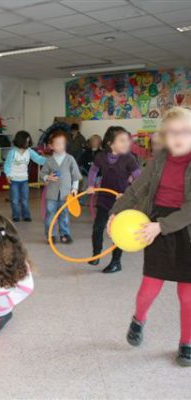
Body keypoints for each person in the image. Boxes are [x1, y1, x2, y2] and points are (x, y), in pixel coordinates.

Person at [108, 107, 191, 367]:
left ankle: (186, 342)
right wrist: (114, 213)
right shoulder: (158, 161)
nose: (179, 137)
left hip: (185, 229)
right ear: (165, 136)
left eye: (185, 132)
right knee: (149, 288)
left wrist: (161, 226)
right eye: (172, 133)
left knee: (187, 296)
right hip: (155, 225)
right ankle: (138, 319)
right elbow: (135, 191)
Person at [87, 126, 140, 273]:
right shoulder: (101, 156)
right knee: (98, 228)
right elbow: (93, 170)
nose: (126, 144)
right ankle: (96, 254)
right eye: (122, 141)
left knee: (118, 232)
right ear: (110, 144)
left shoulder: (129, 158)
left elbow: (139, 179)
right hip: (104, 198)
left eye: (127, 141)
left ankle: (116, 262)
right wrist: (91, 185)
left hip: (121, 200)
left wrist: (128, 194)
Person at [40, 130, 82, 244]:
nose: (61, 146)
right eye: (57, 144)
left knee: (64, 215)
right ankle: (51, 235)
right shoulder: (49, 161)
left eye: (63, 143)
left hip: (65, 195)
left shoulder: (70, 159)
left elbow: (76, 176)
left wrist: (74, 189)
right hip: (52, 194)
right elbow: (42, 174)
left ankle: (64, 234)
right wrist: (47, 177)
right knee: (50, 215)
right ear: (51, 146)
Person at [4, 130, 46, 222]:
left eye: (28, 140)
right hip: (14, 180)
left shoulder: (29, 151)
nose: (28, 142)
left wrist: (50, 161)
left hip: (24, 180)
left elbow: (38, 159)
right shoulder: (12, 152)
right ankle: (16, 215)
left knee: (25, 200)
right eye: (26, 141)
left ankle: (26, 215)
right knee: (14, 200)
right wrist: (7, 175)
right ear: (21, 141)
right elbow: (7, 165)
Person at [78, 134, 102, 203]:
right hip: (86, 175)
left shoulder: (101, 153)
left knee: (98, 189)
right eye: (93, 141)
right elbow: (79, 162)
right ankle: (81, 201)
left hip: (98, 175)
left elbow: (104, 164)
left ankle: (97, 202)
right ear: (91, 142)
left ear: (99, 143)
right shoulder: (85, 152)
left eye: (96, 141)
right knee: (85, 188)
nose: (95, 142)